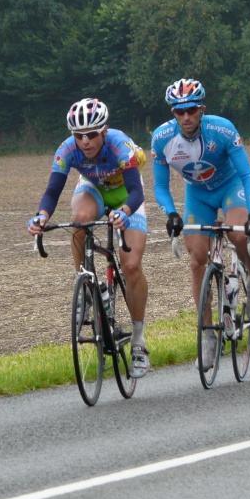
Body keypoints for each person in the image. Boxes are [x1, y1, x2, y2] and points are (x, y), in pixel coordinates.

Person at [28, 98, 150, 378]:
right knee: (80, 217)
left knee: (131, 266)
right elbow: (53, 190)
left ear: (104, 131)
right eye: (79, 135)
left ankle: (139, 341)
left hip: (126, 195)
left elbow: (136, 192)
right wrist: (42, 216)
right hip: (92, 189)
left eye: (92, 134)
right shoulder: (67, 150)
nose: (85, 141)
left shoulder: (120, 145)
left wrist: (125, 212)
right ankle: (84, 282)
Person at [151, 78, 250, 372]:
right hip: (197, 196)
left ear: (202, 109)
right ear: (173, 113)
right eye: (179, 111)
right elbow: (160, 186)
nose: (186, 117)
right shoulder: (162, 139)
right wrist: (171, 214)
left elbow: (248, 175)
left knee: (238, 236)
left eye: (191, 110)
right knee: (197, 260)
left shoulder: (222, 129)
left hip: (230, 187)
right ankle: (207, 334)